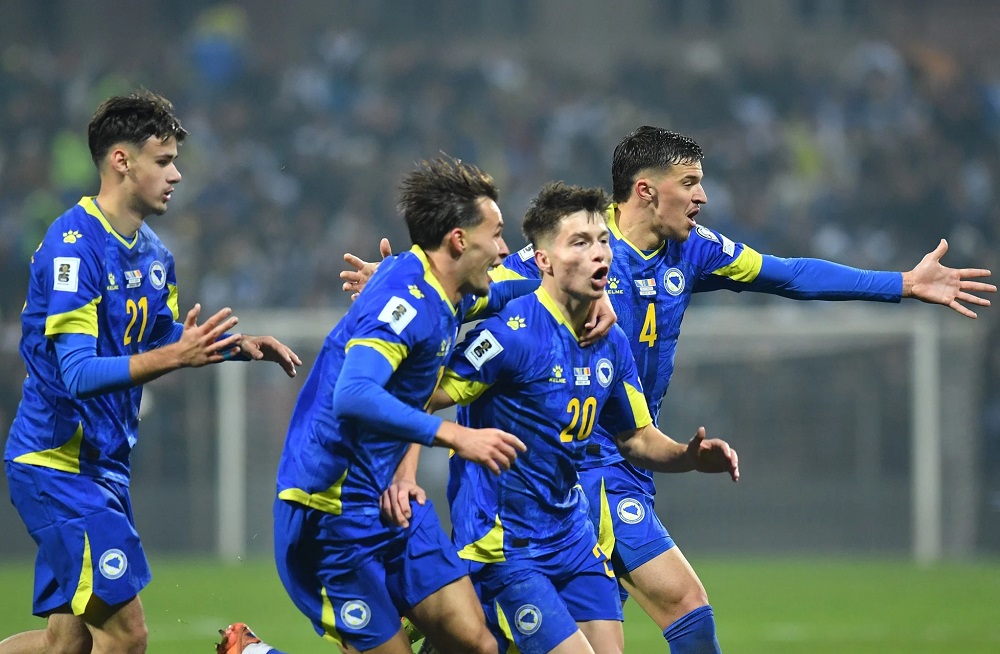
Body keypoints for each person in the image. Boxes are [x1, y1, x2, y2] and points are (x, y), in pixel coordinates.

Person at [342, 126, 996, 653]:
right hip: (572, 465)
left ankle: (436, 620)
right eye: (690, 183)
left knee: (538, 632)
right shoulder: (571, 251)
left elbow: (789, 274)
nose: (703, 196)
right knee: (682, 602)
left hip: (632, 451)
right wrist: (408, 279)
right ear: (646, 191)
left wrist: (901, 285)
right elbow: (478, 281)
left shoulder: (695, 250)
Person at [1, 90, 301, 654]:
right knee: (127, 635)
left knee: (64, 646)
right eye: (163, 161)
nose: (176, 175)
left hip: (103, 467)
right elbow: (77, 374)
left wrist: (235, 347)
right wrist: (174, 357)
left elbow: (163, 340)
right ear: (122, 161)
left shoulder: (154, 255)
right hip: (57, 465)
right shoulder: (74, 248)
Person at [387, 182, 738, 654]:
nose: (598, 254)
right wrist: (405, 474)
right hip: (507, 545)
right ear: (544, 261)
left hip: (572, 537)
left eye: (603, 241)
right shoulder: (509, 336)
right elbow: (420, 397)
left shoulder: (611, 340)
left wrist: (688, 457)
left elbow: (636, 438)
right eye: (580, 242)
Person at [257, 156, 546, 654]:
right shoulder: (406, 301)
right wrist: (454, 434)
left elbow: (510, 289)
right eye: (497, 235)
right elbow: (353, 393)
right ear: (459, 240)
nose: (504, 250)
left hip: (391, 499)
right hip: (329, 512)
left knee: (479, 644)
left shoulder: (448, 289)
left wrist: (579, 285)